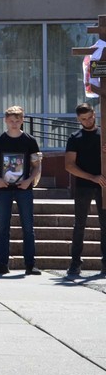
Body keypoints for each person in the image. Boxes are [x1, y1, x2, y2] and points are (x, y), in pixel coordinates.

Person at [0, 105, 43, 275]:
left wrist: (29, 181)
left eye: (18, 120)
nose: (14, 123)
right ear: (5, 121)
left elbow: (36, 166)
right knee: (3, 227)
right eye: (11, 120)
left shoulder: (30, 141)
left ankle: (30, 264)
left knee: (28, 227)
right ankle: (2, 264)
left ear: (22, 120)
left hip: (24, 188)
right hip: (3, 188)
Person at [64, 103, 106, 277]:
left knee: (105, 225)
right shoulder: (75, 137)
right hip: (84, 186)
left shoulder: (103, 134)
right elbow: (69, 165)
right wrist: (92, 177)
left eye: (90, 117)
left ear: (94, 114)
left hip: (104, 186)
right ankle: (75, 263)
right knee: (79, 224)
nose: (87, 121)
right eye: (83, 119)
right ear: (78, 119)